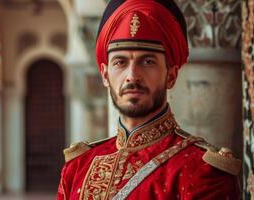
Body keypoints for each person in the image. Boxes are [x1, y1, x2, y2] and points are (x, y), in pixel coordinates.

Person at [57, 0, 241, 199]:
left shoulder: (204, 171)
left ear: (171, 75)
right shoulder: (77, 168)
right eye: (120, 62)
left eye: (148, 61)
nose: (132, 75)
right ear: (105, 75)